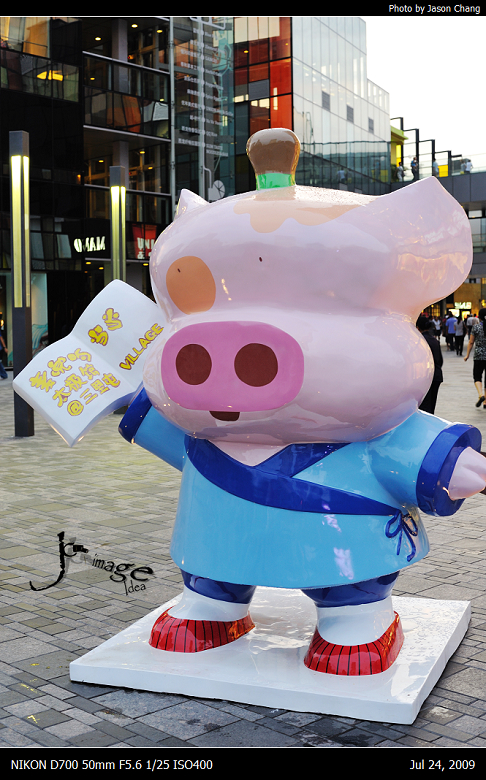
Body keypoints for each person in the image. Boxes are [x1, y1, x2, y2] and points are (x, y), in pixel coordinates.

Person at [416, 316, 443, 414]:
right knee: (431, 405)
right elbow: (440, 360)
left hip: (424, 377)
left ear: (417, 327)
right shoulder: (435, 340)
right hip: (436, 375)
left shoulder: (420, 340)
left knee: (424, 407)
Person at [464, 308, 486, 408]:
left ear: (479, 317)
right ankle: (485, 402)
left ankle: (481, 395)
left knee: (477, 376)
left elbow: (471, 342)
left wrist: (467, 355)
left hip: (478, 356)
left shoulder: (476, 327)